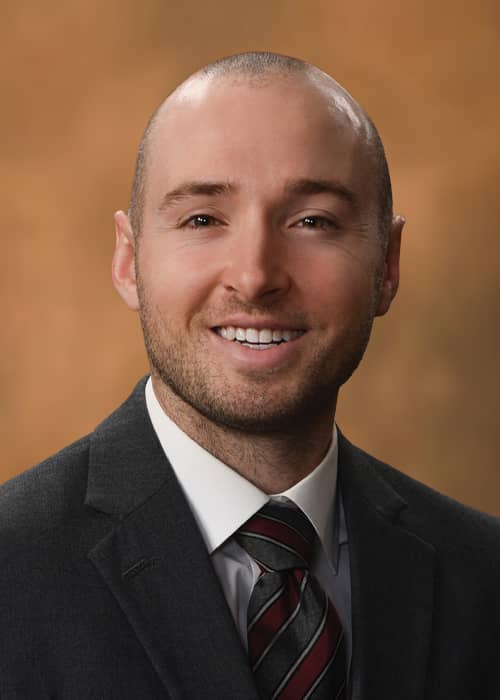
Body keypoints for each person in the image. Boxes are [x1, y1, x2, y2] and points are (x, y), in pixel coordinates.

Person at [0, 52, 498, 700]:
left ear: (388, 265)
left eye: (313, 221)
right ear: (129, 260)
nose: (256, 275)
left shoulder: (484, 578)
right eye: (203, 219)